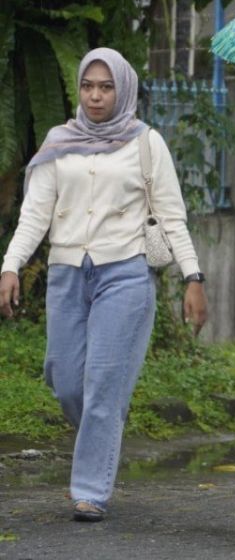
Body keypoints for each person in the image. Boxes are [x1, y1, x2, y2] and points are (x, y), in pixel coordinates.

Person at [0, 48, 207, 522]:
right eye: (89, 86)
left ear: (123, 90)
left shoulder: (146, 143)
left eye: (106, 86)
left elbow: (173, 219)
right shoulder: (59, 141)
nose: (96, 96)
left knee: (101, 386)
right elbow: (34, 215)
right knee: (67, 378)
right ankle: (105, 423)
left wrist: (193, 277)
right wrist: (10, 266)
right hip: (67, 273)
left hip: (125, 274)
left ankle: (90, 490)